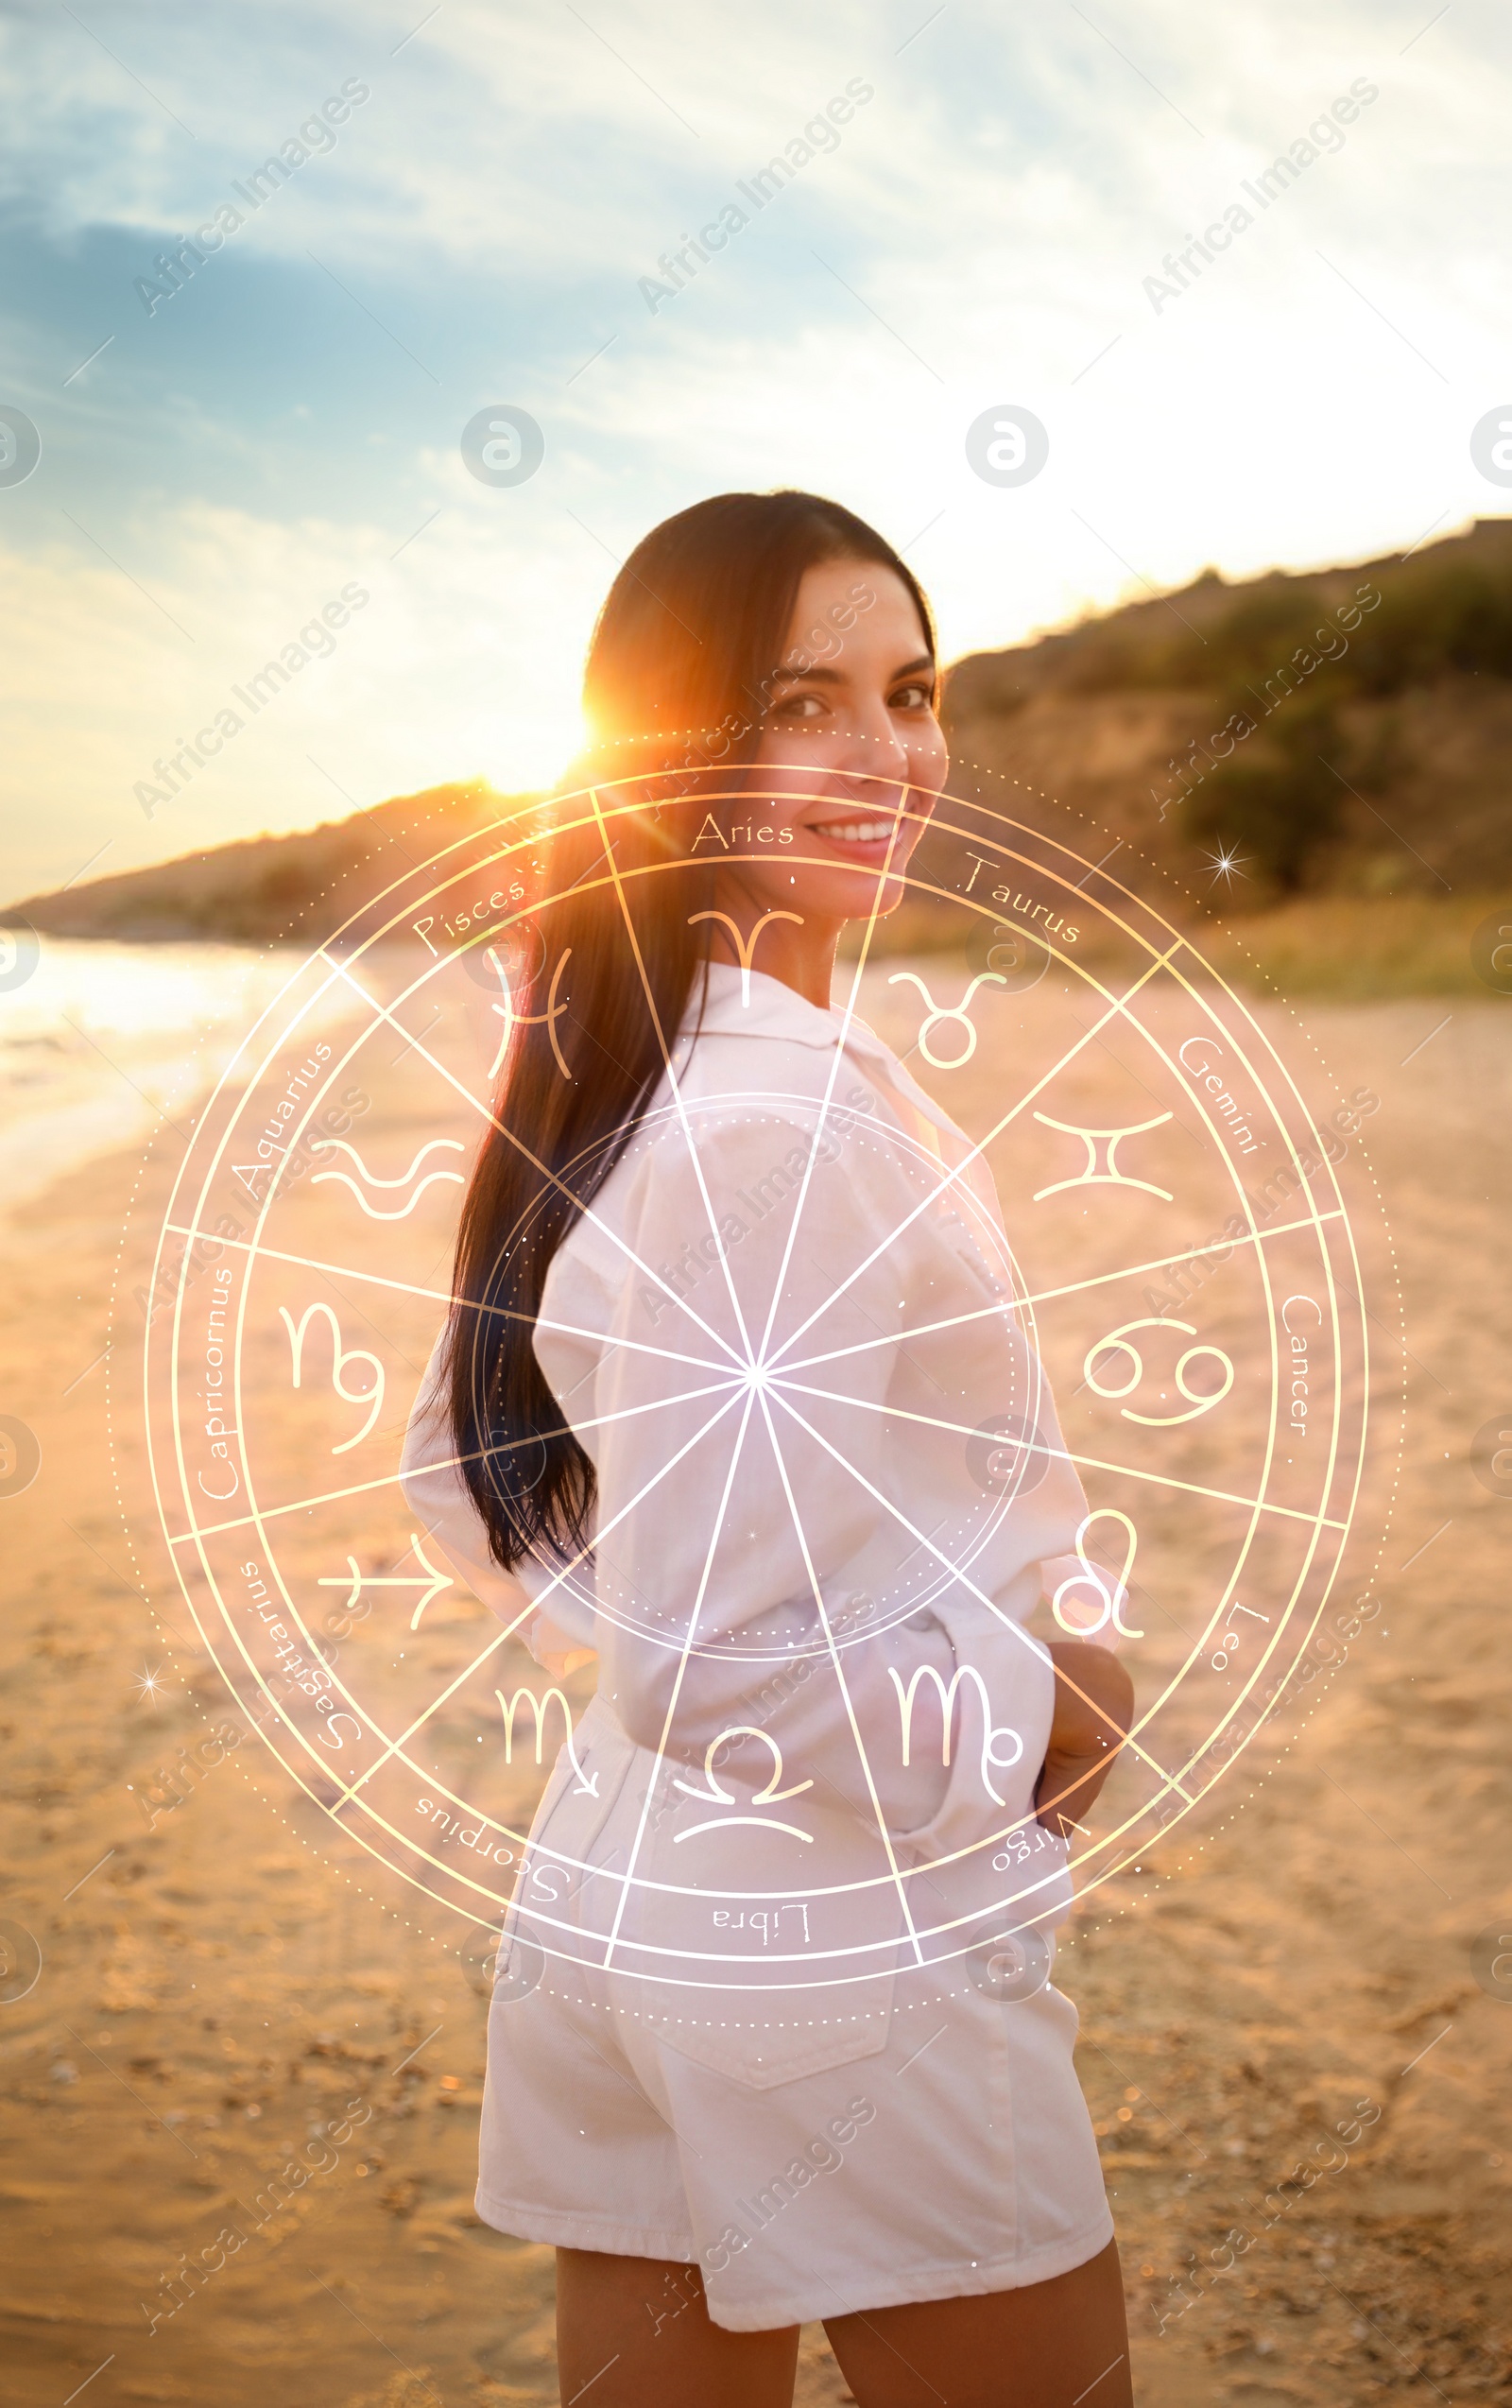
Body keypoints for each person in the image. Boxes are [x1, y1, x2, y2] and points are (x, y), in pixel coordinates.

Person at [402, 490, 1136, 2406]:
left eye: (909, 689)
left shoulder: (620, 1067)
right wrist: (1041, 1698)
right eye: (798, 698)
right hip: (833, 1939)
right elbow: (709, 1657)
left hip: (616, 1893)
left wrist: (662, 1604)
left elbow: (463, 1481)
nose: (887, 754)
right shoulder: (767, 1124)